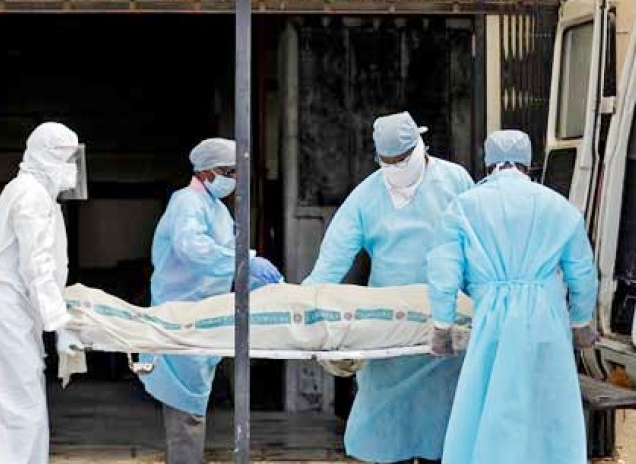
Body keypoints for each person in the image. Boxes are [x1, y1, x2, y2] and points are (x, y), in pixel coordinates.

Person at [303, 111, 474, 463]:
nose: (397, 168)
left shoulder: (455, 180)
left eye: (403, 159)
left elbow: (478, 243)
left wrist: (480, 303)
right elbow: (333, 257)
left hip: (445, 319)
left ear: (421, 145)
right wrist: (305, 302)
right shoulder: (367, 196)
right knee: (386, 424)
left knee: (444, 418)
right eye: (389, 162)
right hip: (390, 326)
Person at [426, 130, 599, 464]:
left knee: (491, 404)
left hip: (492, 319)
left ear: (488, 162)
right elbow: (582, 271)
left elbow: (443, 270)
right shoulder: (558, 207)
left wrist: (442, 325)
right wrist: (580, 322)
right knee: (547, 408)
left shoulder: (464, 207)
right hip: (547, 320)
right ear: (529, 163)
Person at [139, 138, 282, 464]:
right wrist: (245, 261)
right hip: (181, 316)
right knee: (185, 409)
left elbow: (223, 255)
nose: (234, 179)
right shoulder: (187, 202)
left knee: (194, 404)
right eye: (229, 172)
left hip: (205, 316)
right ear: (206, 172)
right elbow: (193, 249)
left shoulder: (216, 208)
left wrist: (252, 276)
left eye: (237, 172)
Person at [0, 122, 83, 463]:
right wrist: (59, 324)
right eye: (67, 159)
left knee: (18, 402)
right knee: (16, 406)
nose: (72, 169)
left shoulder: (35, 194)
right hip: (5, 312)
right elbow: (37, 266)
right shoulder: (30, 196)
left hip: (13, 310)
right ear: (47, 157)